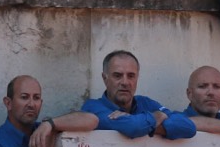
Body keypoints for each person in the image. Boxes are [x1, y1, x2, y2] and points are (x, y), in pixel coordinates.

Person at [57, 50, 196, 141]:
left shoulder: (146, 103)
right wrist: (157, 116)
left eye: (131, 76)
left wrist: (143, 123)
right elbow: (133, 127)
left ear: (137, 78)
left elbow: (188, 127)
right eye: (117, 76)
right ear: (105, 78)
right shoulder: (93, 107)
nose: (125, 82)